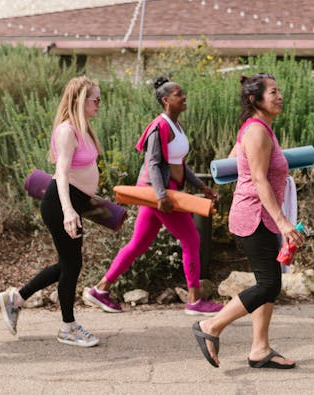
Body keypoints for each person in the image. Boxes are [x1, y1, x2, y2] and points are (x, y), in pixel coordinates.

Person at [191, 73, 305, 369]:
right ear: (255, 100)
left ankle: (260, 348)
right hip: (255, 217)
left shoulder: (259, 128)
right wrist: (283, 222)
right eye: (273, 92)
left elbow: (235, 158)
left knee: (267, 279)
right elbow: (257, 179)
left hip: (262, 217)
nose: (280, 97)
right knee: (268, 285)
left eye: (280, 91)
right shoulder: (257, 131)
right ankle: (211, 326)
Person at [82, 76, 221, 316]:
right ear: (166, 100)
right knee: (191, 239)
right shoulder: (160, 126)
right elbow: (154, 164)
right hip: (158, 193)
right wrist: (161, 196)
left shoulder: (176, 126)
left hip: (160, 193)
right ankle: (195, 300)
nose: (184, 97)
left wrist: (201, 186)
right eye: (179, 94)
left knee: (139, 243)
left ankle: (100, 289)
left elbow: (179, 164)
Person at [0, 75, 105, 348]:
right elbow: (61, 172)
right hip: (60, 204)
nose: (100, 104)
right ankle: (68, 327)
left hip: (74, 203)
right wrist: (70, 211)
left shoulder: (85, 128)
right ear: (81, 100)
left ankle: (16, 299)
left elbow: (82, 171)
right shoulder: (67, 131)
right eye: (96, 99)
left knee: (67, 265)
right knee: (72, 265)